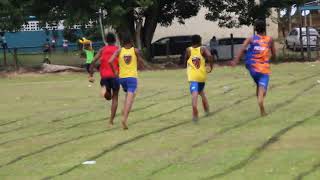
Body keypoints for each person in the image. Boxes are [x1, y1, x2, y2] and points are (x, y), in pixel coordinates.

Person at [230, 19, 276, 117]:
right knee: (262, 90)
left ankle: (259, 98)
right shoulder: (270, 40)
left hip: (251, 67)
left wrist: (236, 60)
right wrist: (272, 59)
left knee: (259, 85)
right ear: (265, 28)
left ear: (255, 29)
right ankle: (260, 103)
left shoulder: (251, 39)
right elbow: (274, 54)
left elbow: (242, 49)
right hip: (263, 68)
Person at [109, 34, 145, 130]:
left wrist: (115, 71)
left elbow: (110, 61)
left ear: (122, 43)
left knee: (129, 95)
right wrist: (140, 66)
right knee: (130, 98)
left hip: (122, 78)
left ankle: (124, 110)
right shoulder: (135, 50)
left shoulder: (119, 51)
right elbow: (141, 61)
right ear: (131, 42)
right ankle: (124, 118)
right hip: (132, 78)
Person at [89, 33, 120, 126]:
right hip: (115, 76)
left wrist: (91, 74)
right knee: (115, 98)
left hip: (104, 76)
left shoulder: (102, 49)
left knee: (107, 96)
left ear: (106, 40)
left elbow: (93, 61)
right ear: (115, 40)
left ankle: (105, 91)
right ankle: (111, 120)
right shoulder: (118, 50)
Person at [185, 35, 214, 122]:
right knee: (201, 93)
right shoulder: (203, 49)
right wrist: (210, 66)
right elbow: (210, 56)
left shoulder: (188, 50)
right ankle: (207, 110)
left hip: (193, 76)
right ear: (200, 41)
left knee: (194, 94)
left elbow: (185, 59)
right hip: (202, 76)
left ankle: (195, 110)